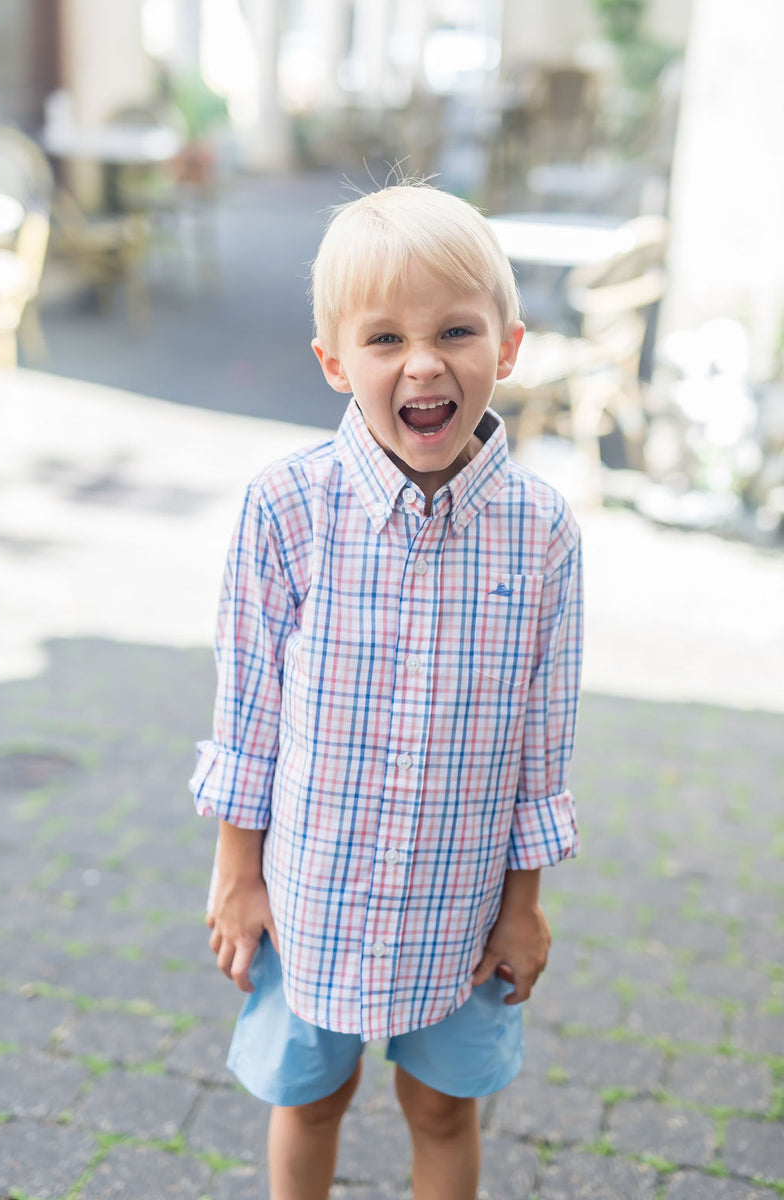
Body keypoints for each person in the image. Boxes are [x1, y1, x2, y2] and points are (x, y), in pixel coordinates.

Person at [189, 181, 583, 1200]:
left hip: (460, 911)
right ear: (333, 362)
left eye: (454, 329)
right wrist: (239, 874)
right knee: (308, 1101)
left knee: (442, 1110)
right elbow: (247, 718)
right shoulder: (286, 511)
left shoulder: (540, 536)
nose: (422, 362)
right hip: (310, 899)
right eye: (383, 339)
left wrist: (522, 907)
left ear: (505, 346)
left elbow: (543, 747)